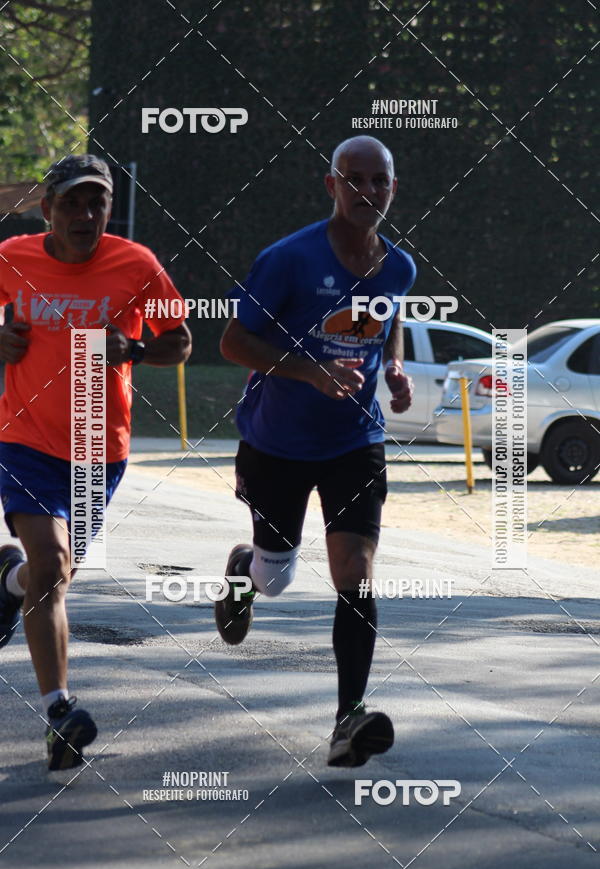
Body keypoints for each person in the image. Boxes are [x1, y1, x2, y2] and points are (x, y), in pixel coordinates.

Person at [218, 135, 415, 767]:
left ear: (392, 189)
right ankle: (246, 572)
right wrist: (307, 372)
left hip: (355, 439)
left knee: (354, 571)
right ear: (331, 185)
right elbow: (232, 342)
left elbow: (385, 321)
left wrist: (394, 367)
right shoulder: (288, 259)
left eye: (378, 181)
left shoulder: (399, 266)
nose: (367, 192)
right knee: (276, 578)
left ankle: (347, 719)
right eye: (354, 180)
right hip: (278, 441)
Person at [0, 154, 191, 770]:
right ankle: (60, 711)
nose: (85, 215)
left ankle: (7, 581)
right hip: (24, 438)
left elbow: (180, 342)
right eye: (72, 204)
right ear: (48, 210)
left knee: (50, 579)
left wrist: (133, 346)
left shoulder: (136, 265)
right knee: (52, 563)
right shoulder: (14, 257)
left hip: (97, 446)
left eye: (97, 204)